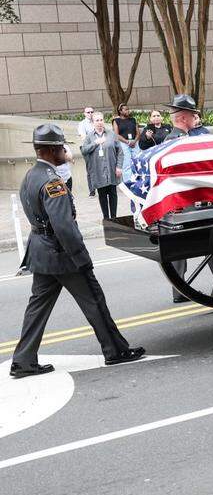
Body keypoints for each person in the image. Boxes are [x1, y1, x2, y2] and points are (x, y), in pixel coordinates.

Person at [9, 124, 146, 378]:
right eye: (61, 147)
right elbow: (64, 227)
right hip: (62, 254)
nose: (64, 150)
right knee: (94, 300)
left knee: (37, 308)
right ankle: (115, 350)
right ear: (51, 150)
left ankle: (23, 360)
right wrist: (81, 257)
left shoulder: (30, 176)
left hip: (41, 253)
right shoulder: (53, 182)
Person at [164, 95, 213, 302]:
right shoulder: (176, 141)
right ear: (184, 118)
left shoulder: (177, 138)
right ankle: (188, 289)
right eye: (193, 114)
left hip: (183, 203)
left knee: (207, 242)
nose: (196, 117)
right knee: (209, 238)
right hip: (184, 204)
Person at [80, 112, 122, 220]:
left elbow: (120, 151)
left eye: (101, 120)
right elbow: (84, 150)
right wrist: (95, 143)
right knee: (102, 196)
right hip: (98, 171)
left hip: (111, 169)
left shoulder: (111, 134)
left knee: (113, 194)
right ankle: (106, 219)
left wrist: (119, 166)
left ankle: (114, 218)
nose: (99, 123)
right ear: (93, 123)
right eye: (97, 120)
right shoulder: (89, 136)